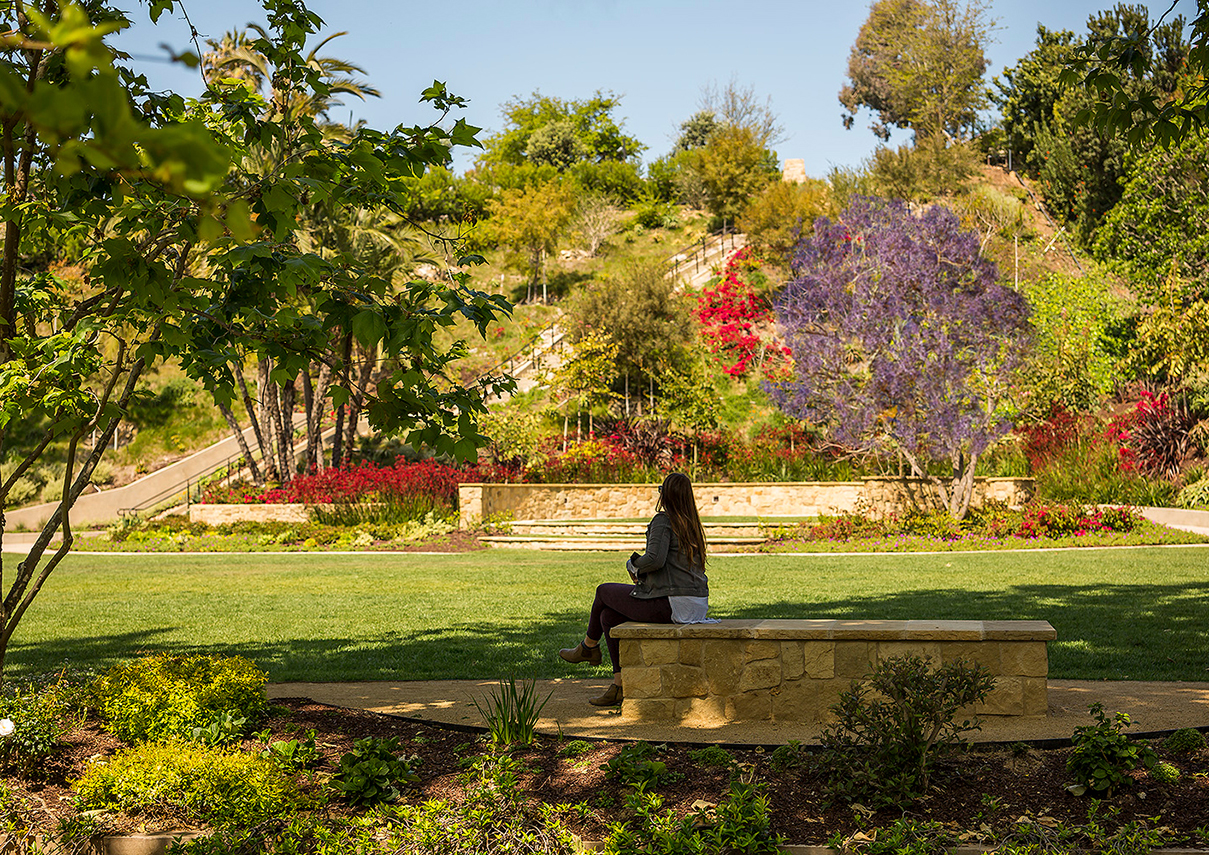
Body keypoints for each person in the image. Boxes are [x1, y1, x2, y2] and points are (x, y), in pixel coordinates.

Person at [558, 471, 714, 706]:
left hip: (672, 603)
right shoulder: (692, 524)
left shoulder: (664, 520)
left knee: (603, 591)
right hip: (695, 607)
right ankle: (618, 686)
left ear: (665, 495)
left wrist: (633, 565)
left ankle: (588, 646)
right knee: (608, 616)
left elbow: (655, 559)